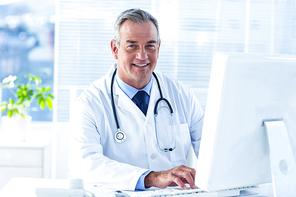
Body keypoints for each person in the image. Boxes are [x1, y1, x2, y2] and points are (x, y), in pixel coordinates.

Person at [68, 8, 204, 191]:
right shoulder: (90, 103)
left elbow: (212, 150)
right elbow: (85, 165)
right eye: (132, 46)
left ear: (159, 47)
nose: (142, 56)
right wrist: (151, 178)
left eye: (150, 45)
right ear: (115, 49)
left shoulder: (182, 95)